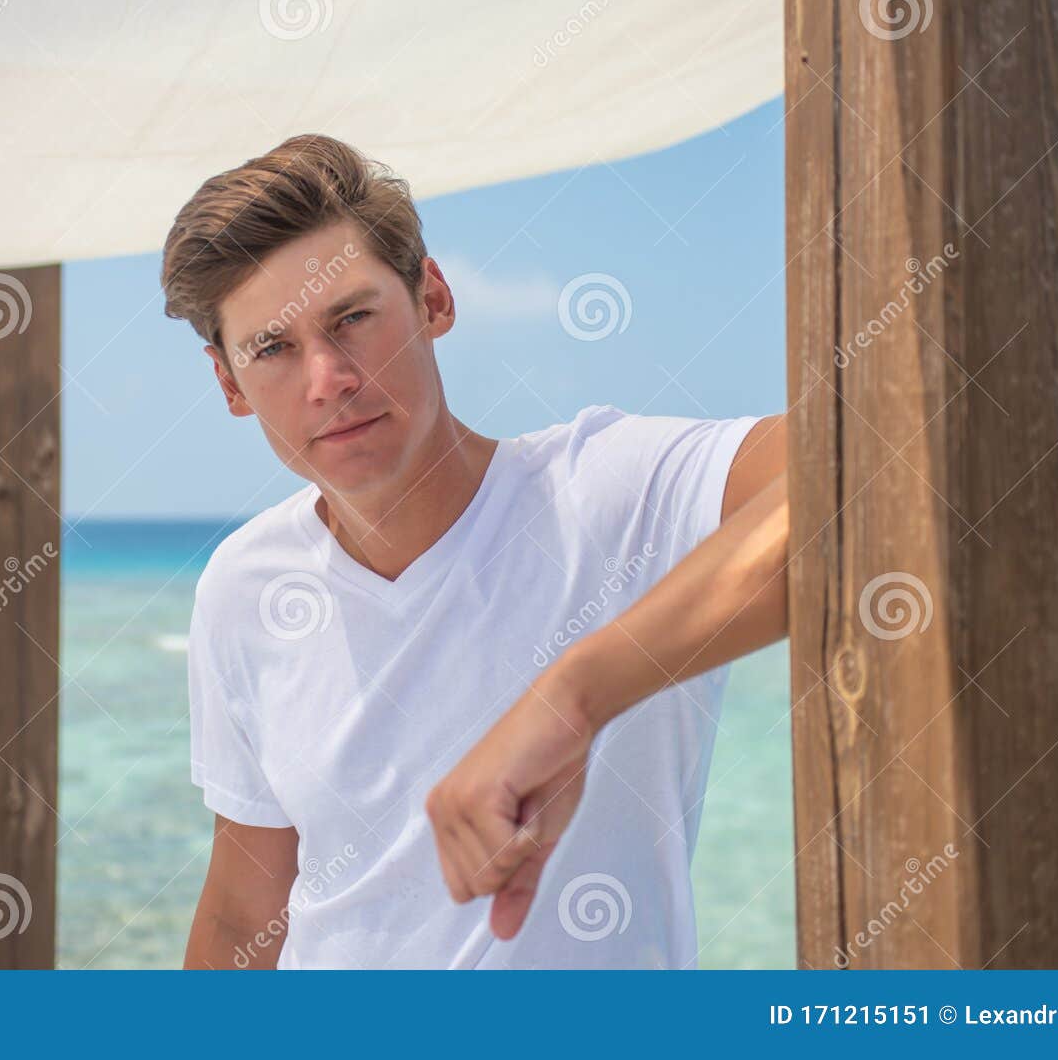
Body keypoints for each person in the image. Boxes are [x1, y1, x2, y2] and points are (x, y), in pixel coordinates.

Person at [163, 133, 788, 969]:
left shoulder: (610, 493)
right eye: (272, 349)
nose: (327, 378)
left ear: (432, 299)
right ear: (229, 385)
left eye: (351, 318)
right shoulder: (244, 585)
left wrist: (573, 697)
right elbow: (245, 914)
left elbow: (872, 466)